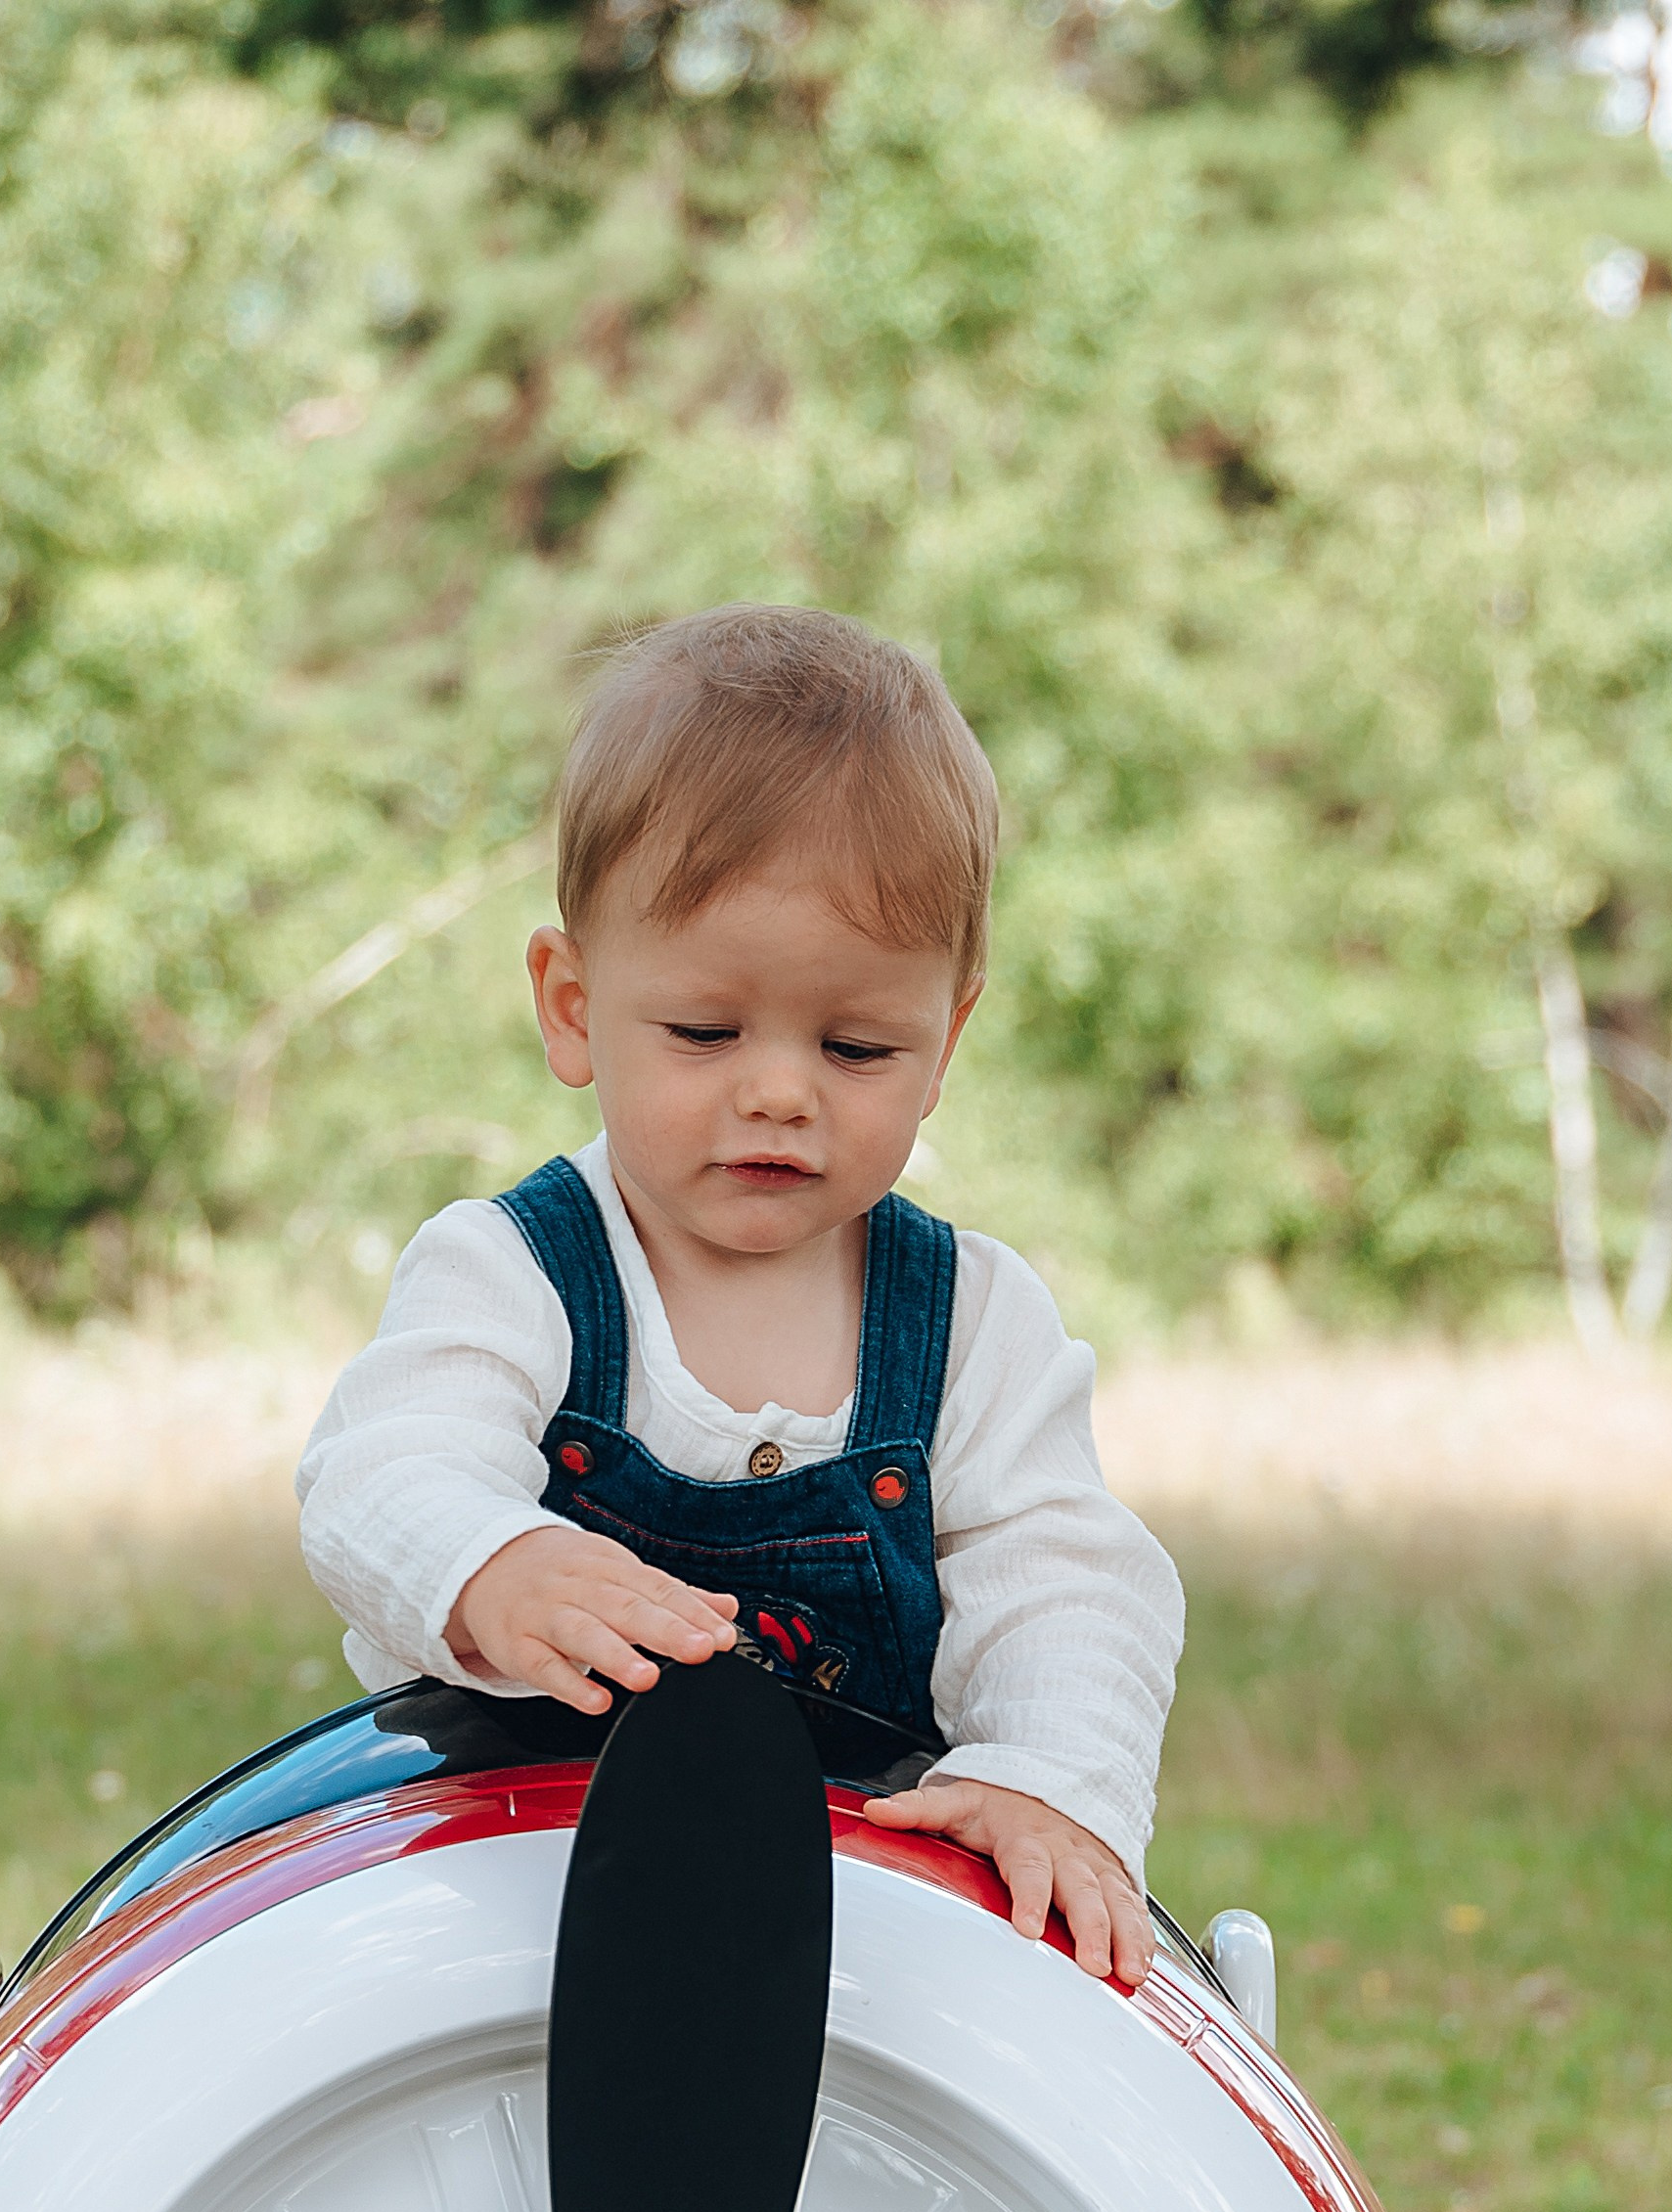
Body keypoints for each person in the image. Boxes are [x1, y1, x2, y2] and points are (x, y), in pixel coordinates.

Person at [294, 605, 1181, 1986]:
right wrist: (485, 1559)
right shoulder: (516, 1268)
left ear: (946, 1038)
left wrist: (1055, 1776)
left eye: (858, 1043)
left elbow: (1070, 1582)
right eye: (705, 1031)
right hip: (504, 1916)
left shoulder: (970, 1327)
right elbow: (381, 1471)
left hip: (855, 1941)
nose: (779, 1088)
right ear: (574, 1004)